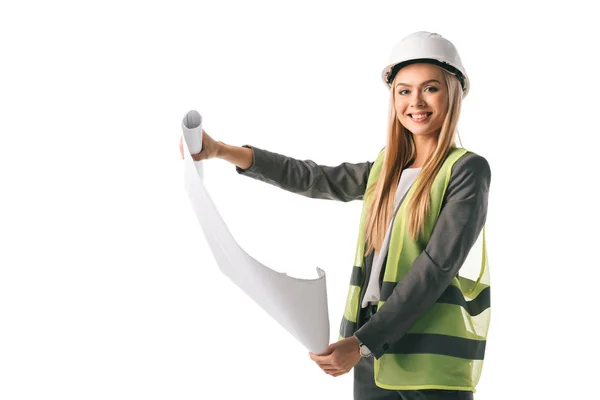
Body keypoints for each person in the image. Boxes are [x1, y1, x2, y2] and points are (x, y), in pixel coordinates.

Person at [179, 31, 491, 400]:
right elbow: (315, 178)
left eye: (430, 88)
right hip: (371, 346)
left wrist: (361, 344)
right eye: (404, 91)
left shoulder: (466, 169)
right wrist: (221, 150)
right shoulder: (385, 169)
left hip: (428, 356)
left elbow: (434, 269)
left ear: (452, 93)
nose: (416, 102)